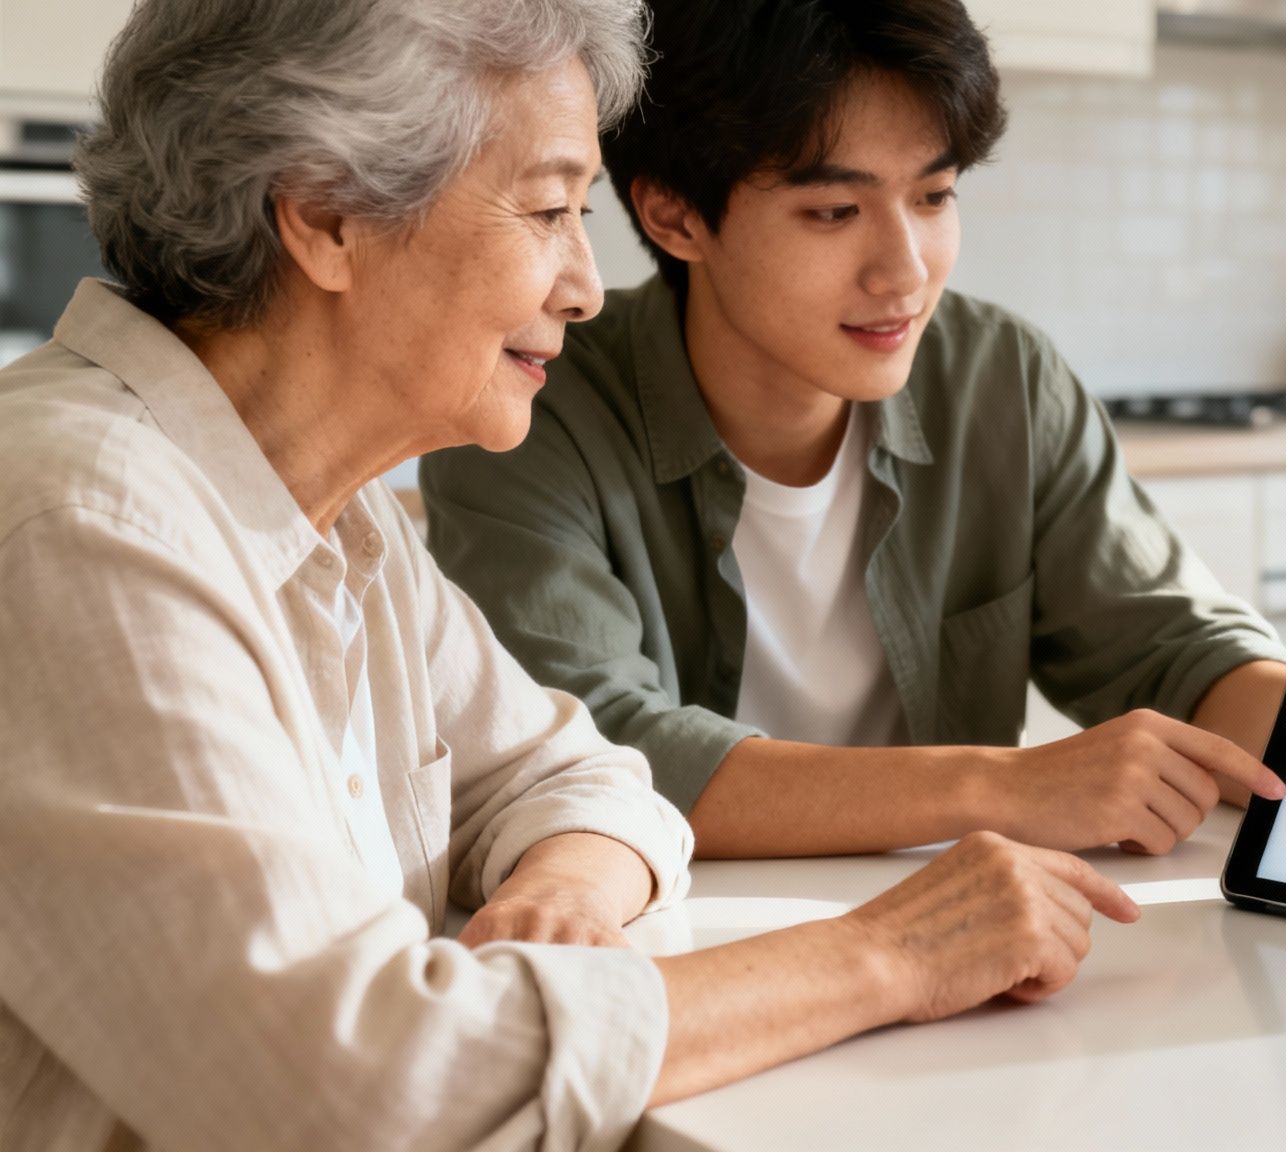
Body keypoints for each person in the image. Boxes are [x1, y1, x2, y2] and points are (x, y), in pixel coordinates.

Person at [0, 3, 1135, 1147]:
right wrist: (888, 954)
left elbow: (583, 773)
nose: (585, 288)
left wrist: (570, 889)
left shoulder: (333, 518)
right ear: (327, 218)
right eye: (548, 211)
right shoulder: (79, 524)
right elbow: (347, 1087)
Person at [421, 0, 1286, 861]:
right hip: (675, 942)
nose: (906, 272)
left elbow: (1182, 653)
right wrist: (1002, 787)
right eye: (835, 212)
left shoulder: (1003, 380)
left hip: (978, 938)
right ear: (674, 216)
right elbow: (586, 754)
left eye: (935, 195)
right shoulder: (532, 404)